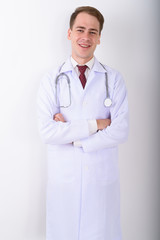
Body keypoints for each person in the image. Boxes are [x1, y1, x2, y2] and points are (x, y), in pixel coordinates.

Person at [37, 6, 129, 240]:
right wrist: (96, 124)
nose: (85, 37)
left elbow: (120, 131)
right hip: (64, 182)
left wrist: (73, 137)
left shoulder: (114, 79)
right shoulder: (51, 80)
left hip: (101, 181)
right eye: (80, 30)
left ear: (99, 37)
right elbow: (48, 132)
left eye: (92, 31)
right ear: (69, 34)